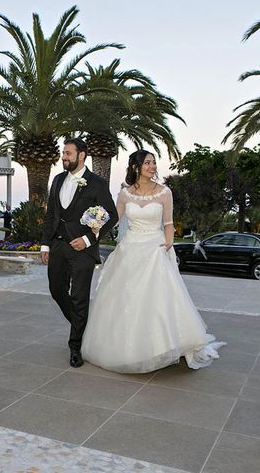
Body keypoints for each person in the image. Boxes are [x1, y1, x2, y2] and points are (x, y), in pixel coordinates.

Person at [81, 150, 225, 373]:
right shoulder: (125, 194)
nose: (152, 166)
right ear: (136, 167)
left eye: (154, 163)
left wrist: (168, 243)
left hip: (155, 248)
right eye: (147, 163)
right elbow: (113, 220)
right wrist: (95, 221)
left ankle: (161, 346)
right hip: (130, 250)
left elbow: (168, 223)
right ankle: (126, 350)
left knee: (156, 301)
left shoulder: (164, 192)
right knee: (126, 300)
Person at [40, 138, 118, 368]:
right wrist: (45, 244)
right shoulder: (57, 180)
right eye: (63, 153)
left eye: (68, 153)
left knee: (79, 297)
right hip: (58, 246)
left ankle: (75, 346)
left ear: (81, 155)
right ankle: (82, 325)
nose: (64, 157)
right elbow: (51, 215)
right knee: (56, 289)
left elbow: (111, 216)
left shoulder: (97, 183)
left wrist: (87, 239)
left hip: (83, 250)